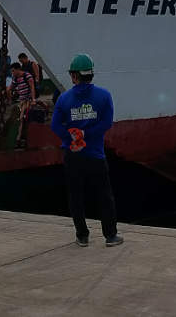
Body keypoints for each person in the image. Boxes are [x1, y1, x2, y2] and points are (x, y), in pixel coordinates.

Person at [50, 53, 122, 248]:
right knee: (104, 195)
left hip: (73, 155)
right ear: (91, 73)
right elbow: (106, 123)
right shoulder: (104, 96)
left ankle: (82, 236)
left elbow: (55, 126)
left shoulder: (64, 99)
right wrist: (86, 135)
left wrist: (72, 137)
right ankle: (110, 236)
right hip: (95, 154)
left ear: (74, 76)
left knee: (76, 196)